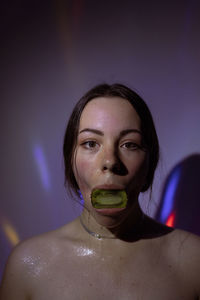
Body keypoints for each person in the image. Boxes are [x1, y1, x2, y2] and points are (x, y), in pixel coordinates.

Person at [0, 83, 200, 299]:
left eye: (129, 144)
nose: (110, 161)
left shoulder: (193, 260)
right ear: (70, 163)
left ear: (149, 167)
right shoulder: (28, 265)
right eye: (90, 143)